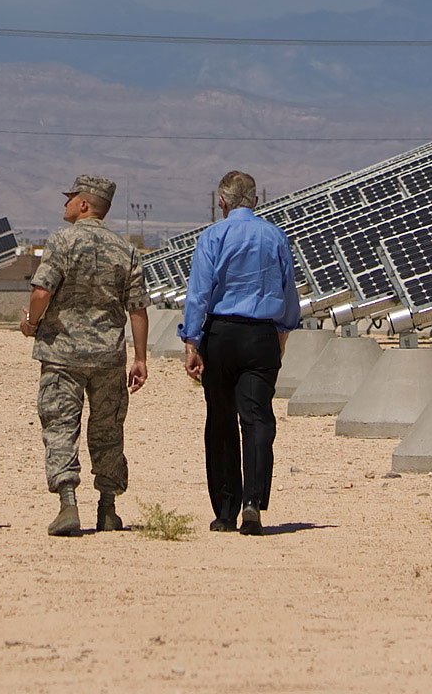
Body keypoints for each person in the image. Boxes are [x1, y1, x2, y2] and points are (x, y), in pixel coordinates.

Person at [19, 174, 150, 537]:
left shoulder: (62, 241)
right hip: (108, 357)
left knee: (61, 425)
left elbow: (42, 291)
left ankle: (68, 504)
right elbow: (138, 310)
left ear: (84, 205)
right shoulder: (126, 250)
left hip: (62, 354)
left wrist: (31, 322)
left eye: (70, 198)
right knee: (108, 430)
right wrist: (140, 358)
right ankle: (108, 509)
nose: (65, 204)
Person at [179, 170, 300, 535]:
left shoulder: (212, 236)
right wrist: (282, 332)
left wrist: (192, 341)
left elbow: (199, 293)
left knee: (220, 421)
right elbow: (288, 290)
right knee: (258, 418)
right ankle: (253, 502)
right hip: (261, 336)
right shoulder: (275, 236)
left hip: (221, 335)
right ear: (257, 200)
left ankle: (226, 510)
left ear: (222, 203)